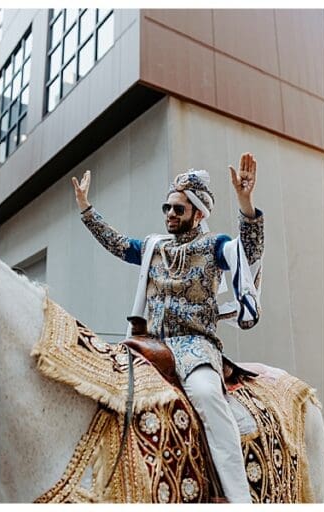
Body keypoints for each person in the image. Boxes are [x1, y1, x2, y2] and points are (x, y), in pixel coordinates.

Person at [72, 153, 263, 503]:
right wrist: (87, 209)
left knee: (206, 395)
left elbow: (247, 256)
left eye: (178, 209)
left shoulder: (214, 246)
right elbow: (117, 243)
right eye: (167, 208)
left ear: (198, 213)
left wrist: (246, 204)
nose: (170, 214)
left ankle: (239, 501)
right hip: (150, 345)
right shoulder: (153, 248)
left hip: (196, 347)